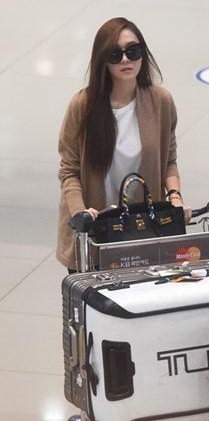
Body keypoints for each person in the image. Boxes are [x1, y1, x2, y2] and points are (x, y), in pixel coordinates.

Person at [57, 17, 190, 272]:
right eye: (115, 54)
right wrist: (80, 212)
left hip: (142, 229)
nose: (126, 60)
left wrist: (175, 197)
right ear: (102, 60)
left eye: (133, 51)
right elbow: (69, 170)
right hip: (94, 233)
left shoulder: (161, 101)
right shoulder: (82, 106)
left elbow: (169, 161)